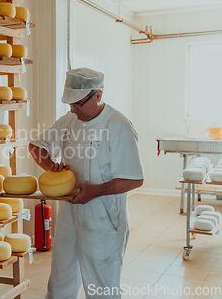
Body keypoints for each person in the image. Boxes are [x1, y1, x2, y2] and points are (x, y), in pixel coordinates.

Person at [28, 68, 144, 299]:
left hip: (104, 219)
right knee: (62, 277)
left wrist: (96, 191)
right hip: (70, 216)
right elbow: (36, 146)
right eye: (69, 103)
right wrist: (51, 167)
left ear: (98, 96)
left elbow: (135, 178)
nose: (73, 109)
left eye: (78, 103)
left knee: (101, 285)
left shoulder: (118, 126)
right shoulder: (69, 120)